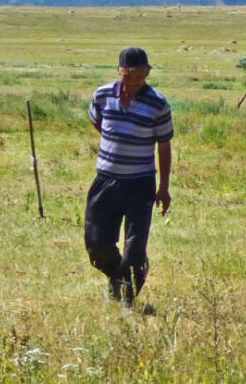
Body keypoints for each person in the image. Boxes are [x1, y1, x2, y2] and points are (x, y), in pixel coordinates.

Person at [85, 46, 175, 307]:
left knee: (134, 247)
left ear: (148, 73)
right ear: (119, 72)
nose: (134, 83)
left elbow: (164, 145)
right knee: (96, 243)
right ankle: (119, 278)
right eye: (128, 76)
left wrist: (164, 187)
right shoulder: (102, 95)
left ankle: (127, 299)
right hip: (106, 179)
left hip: (140, 184)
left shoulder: (158, 103)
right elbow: (97, 120)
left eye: (140, 77)